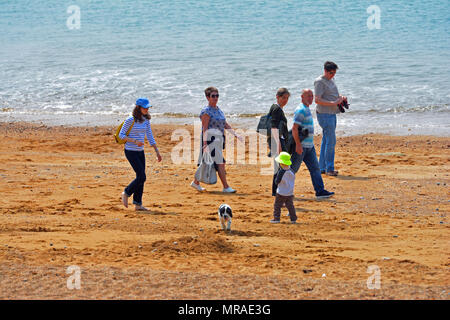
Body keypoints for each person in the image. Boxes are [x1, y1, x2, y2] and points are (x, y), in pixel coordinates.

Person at [190, 87, 242, 193]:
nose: (215, 98)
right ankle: (226, 187)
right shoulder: (206, 111)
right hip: (210, 140)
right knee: (220, 162)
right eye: (213, 96)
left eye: (217, 95)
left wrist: (235, 134)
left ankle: (196, 182)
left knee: (207, 162)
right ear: (207, 97)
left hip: (219, 140)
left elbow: (224, 124)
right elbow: (204, 128)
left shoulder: (218, 109)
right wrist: (205, 144)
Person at [290, 89, 335, 199]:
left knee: (315, 169)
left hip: (309, 146)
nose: (310, 98)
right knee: (292, 170)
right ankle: (283, 191)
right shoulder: (300, 110)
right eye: (308, 96)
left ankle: (320, 191)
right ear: (302, 97)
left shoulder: (307, 109)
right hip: (301, 147)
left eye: (311, 96)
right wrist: (298, 145)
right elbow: (294, 129)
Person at [120, 98, 162, 211]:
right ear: (138, 108)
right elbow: (121, 135)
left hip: (140, 152)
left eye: (148, 107)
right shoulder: (130, 119)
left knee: (141, 177)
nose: (147, 109)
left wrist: (157, 151)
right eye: (145, 107)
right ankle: (126, 192)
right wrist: (134, 141)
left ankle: (138, 204)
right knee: (141, 176)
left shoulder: (146, 120)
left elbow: (150, 135)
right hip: (130, 151)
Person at [314, 61, 347, 176]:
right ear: (325, 71)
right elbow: (317, 100)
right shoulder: (319, 82)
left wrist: (340, 98)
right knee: (331, 141)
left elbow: (331, 94)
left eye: (334, 73)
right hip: (324, 114)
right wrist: (333, 102)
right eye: (331, 73)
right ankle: (329, 169)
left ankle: (322, 167)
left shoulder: (331, 80)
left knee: (326, 140)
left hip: (331, 113)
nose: (333, 75)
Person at [269, 88, 291, 196]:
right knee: (280, 167)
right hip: (277, 141)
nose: (285, 100)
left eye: (287, 98)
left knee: (278, 167)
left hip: (277, 140)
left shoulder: (276, 107)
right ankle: (276, 191)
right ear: (277, 97)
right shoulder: (277, 109)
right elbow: (274, 127)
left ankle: (276, 191)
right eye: (283, 98)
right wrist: (278, 146)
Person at [270, 152, 297, 224]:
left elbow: (276, 181)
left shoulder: (281, 172)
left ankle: (276, 219)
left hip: (281, 192)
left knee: (277, 205)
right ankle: (293, 219)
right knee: (290, 206)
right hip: (290, 192)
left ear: (281, 163)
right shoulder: (292, 171)